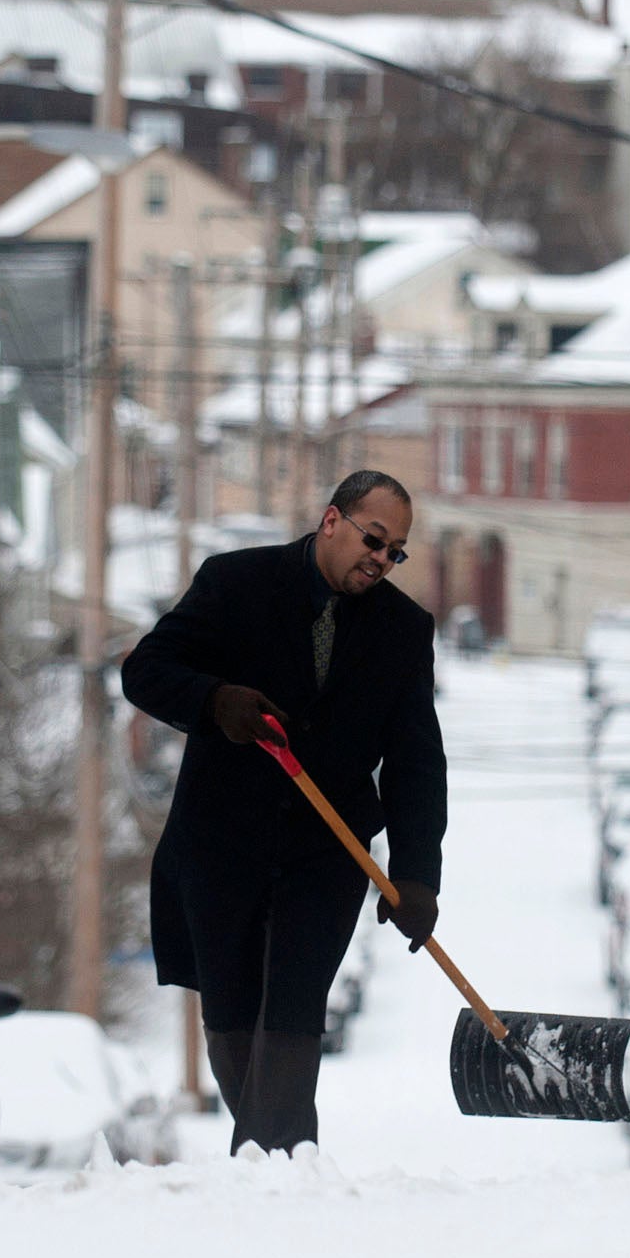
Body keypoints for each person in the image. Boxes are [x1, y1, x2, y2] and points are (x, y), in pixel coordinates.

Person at [121, 470, 447, 1154]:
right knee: (233, 1018)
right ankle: (277, 1170)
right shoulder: (235, 584)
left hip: (326, 855)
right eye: (374, 540)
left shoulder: (403, 630)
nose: (382, 560)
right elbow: (145, 670)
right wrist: (215, 702)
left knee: (295, 1016)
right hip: (221, 845)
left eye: (396, 552)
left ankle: (272, 1169)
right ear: (333, 520)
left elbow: (417, 761)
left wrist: (418, 876)